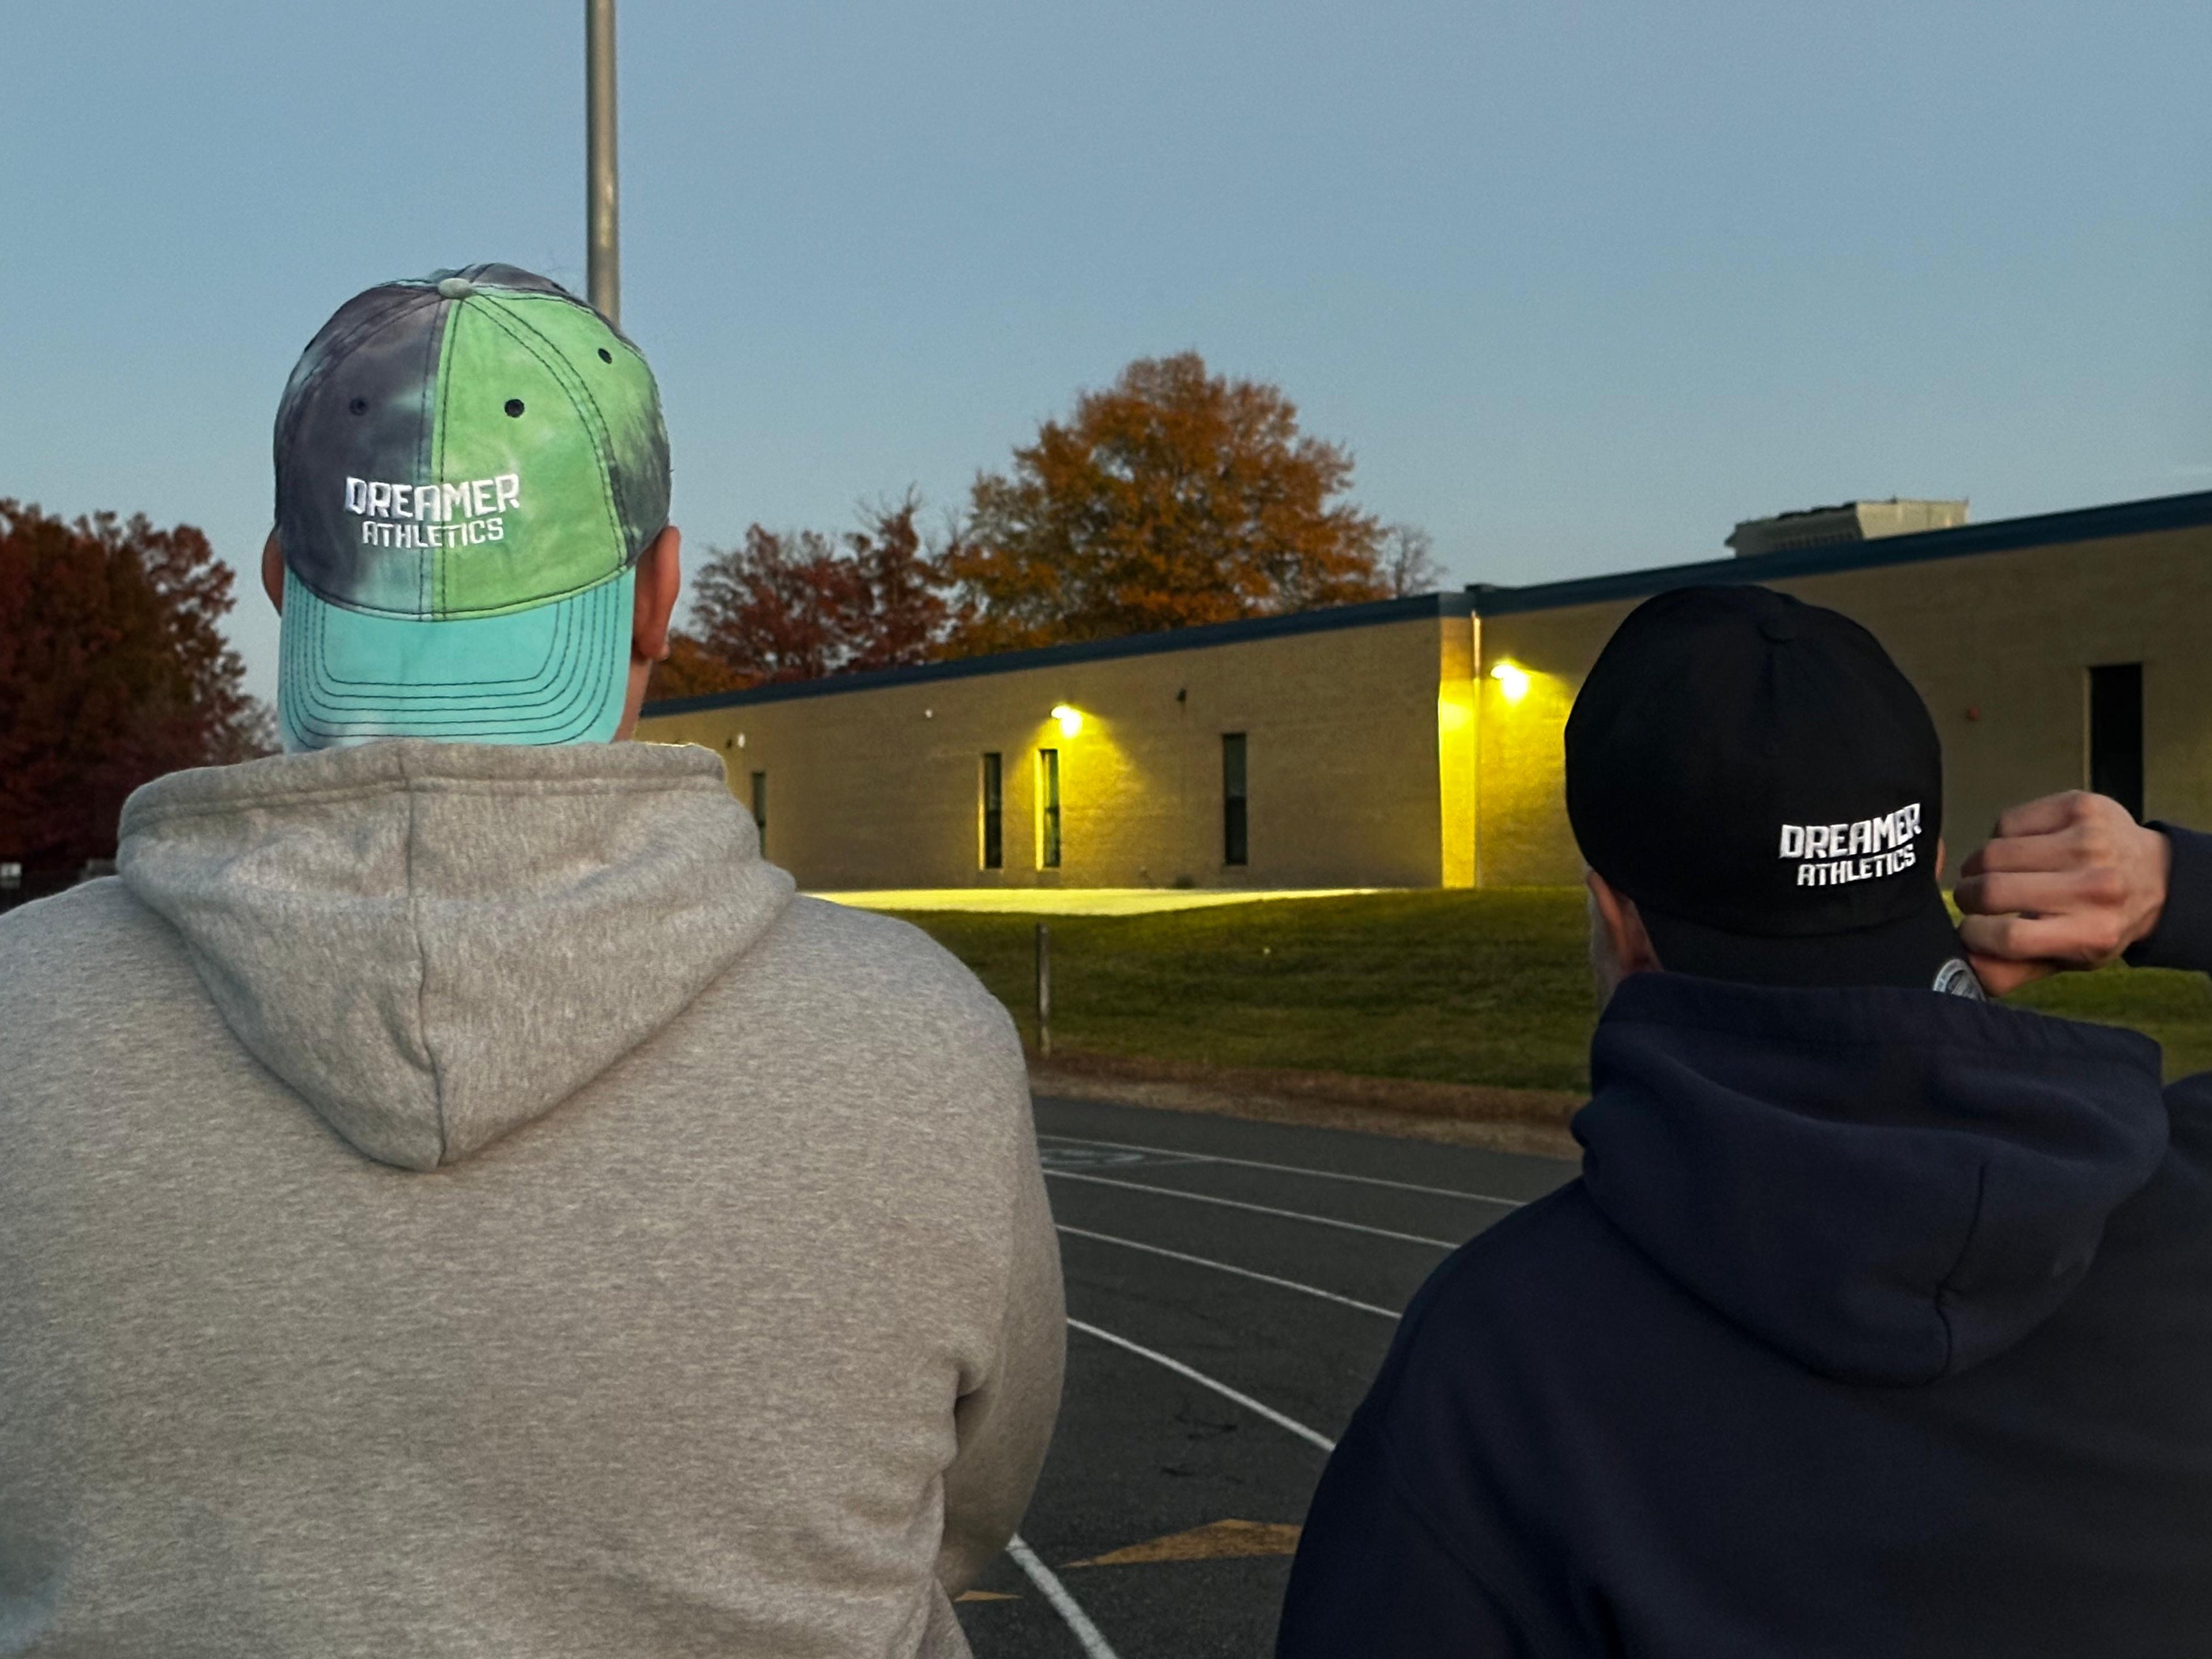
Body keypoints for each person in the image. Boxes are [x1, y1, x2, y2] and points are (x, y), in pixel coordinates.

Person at [0, 265, 1062, 1657]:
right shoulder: (923, 1043)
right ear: (657, 593)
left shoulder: (20, 1018)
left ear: (282, 584)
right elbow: (965, 1514)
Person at [1277, 583, 2212, 1658]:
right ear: (1932, 857)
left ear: (1618, 919)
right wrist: (2176, 886)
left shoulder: (1502, 1361)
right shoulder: (2191, 1209)